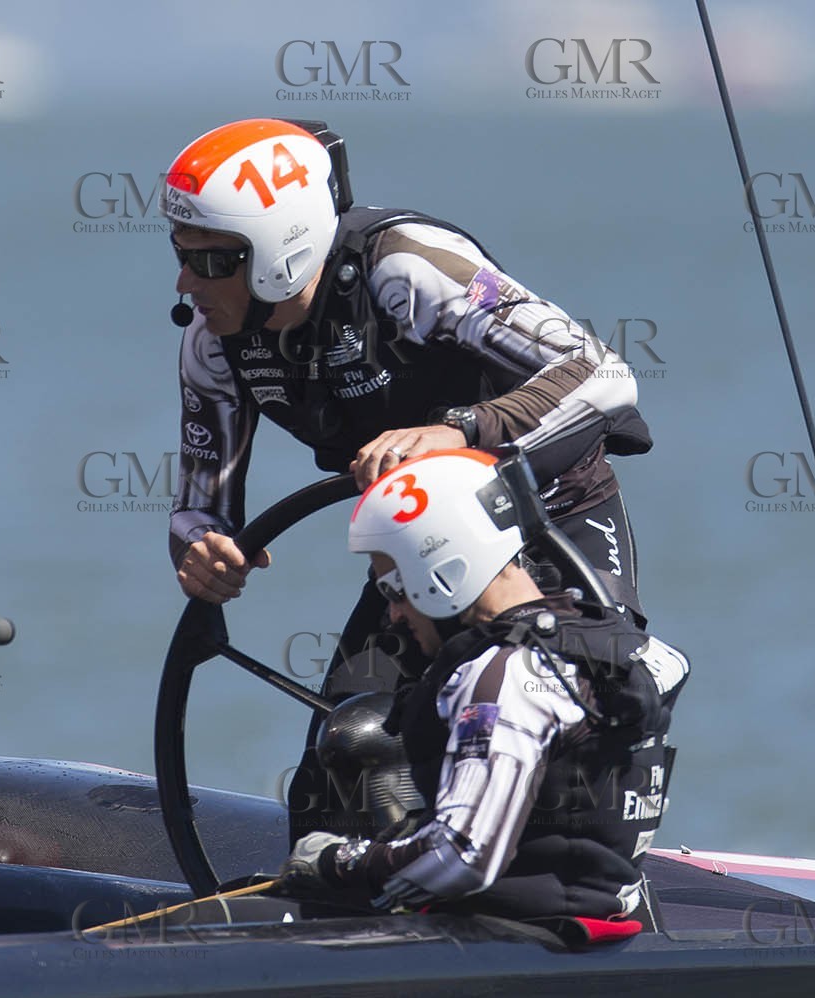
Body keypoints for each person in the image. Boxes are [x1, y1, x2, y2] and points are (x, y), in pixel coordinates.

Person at [162, 118, 653, 706]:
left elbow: (604, 376)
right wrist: (203, 549)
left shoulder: (406, 270)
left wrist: (459, 432)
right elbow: (196, 510)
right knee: (346, 757)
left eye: (211, 262)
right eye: (180, 254)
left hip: (553, 518)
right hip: (416, 554)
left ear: (276, 252)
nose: (185, 282)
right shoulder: (211, 342)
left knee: (581, 714)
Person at [279, 449, 688, 925]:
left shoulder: (504, 676)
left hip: (510, 941)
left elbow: (464, 855)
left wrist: (340, 862)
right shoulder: (622, 649)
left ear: (445, 572)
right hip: (592, 918)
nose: (392, 614)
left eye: (393, 590)